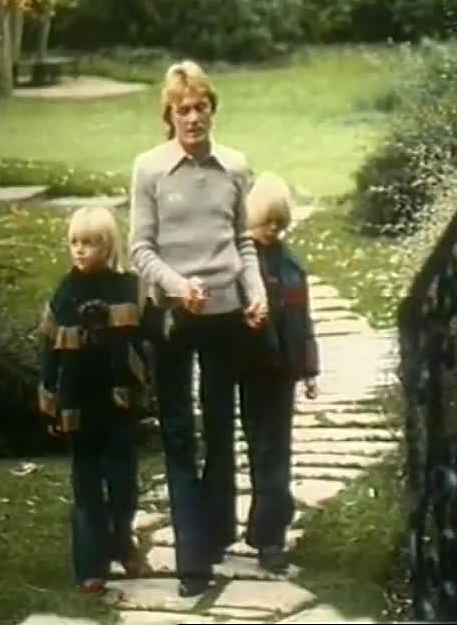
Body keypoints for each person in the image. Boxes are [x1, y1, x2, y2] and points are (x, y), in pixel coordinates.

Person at [128, 60, 268, 596]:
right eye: (183, 109)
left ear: (212, 110)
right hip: (171, 317)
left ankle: (212, 537)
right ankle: (191, 560)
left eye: (201, 107)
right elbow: (140, 248)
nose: (193, 117)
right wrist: (176, 284)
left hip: (225, 316)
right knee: (180, 434)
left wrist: (255, 294)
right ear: (169, 115)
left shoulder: (234, 166)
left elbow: (244, 241)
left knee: (219, 427)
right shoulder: (148, 170)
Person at [37, 206, 148, 594]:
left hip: (119, 404)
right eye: (75, 243)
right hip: (77, 405)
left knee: (123, 483)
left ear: (108, 245)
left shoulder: (127, 288)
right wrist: (49, 399)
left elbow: (147, 338)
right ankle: (91, 564)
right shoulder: (65, 294)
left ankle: (122, 539)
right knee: (86, 487)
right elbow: (49, 351)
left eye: (90, 243)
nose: (80, 250)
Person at [238, 172, 320, 573]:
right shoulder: (244, 264)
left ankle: (269, 531)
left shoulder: (291, 266)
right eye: (265, 222)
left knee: (278, 450)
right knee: (266, 452)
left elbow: (303, 321)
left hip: (284, 373)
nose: (272, 230)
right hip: (255, 371)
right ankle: (268, 535)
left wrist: (309, 369)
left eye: (278, 223)